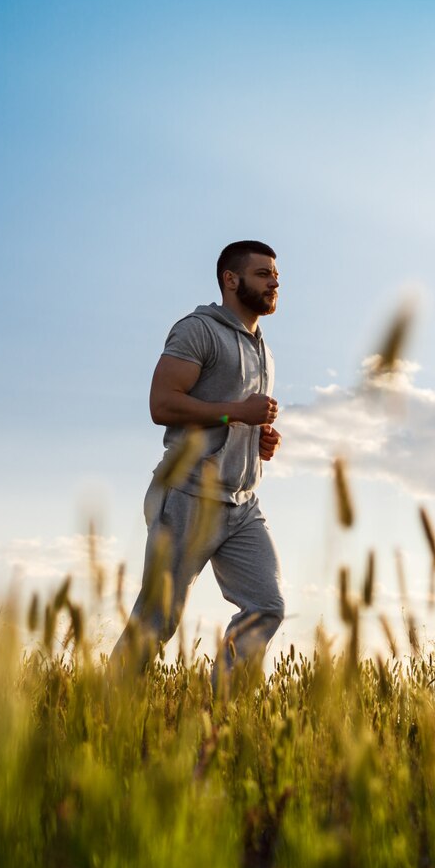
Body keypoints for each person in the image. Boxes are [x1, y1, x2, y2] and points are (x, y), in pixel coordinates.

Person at [109, 240, 285, 682]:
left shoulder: (263, 348)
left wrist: (258, 440)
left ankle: (218, 719)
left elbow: (237, 418)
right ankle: (102, 711)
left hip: (243, 504)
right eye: (263, 274)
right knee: (158, 620)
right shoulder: (197, 330)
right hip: (188, 494)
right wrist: (236, 413)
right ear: (231, 279)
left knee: (267, 606)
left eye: (275, 275)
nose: (274, 281)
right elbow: (161, 405)